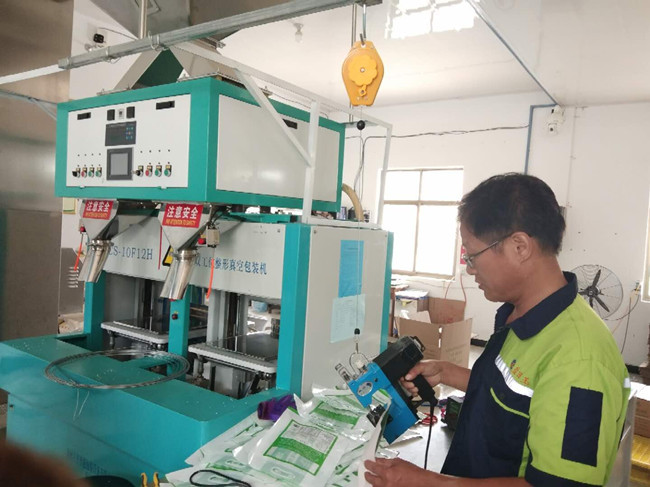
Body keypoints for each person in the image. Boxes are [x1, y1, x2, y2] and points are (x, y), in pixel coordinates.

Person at [365, 173, 630, 486]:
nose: (469, 268)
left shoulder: (580, 361)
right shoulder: (521, 314)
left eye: (472, 255)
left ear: (519, 246)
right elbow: (516, 392)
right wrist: (447, 372)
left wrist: (429, 482)